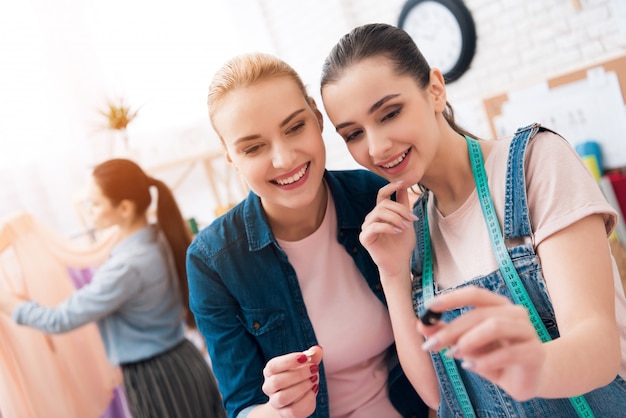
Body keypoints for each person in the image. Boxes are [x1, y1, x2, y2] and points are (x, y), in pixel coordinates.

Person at [319, 22, 626, 417]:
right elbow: (436, 395)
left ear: (434, 89)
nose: (376, 147)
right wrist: (393, 275)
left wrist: (536, 368)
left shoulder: (534, 164)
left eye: (390, 113)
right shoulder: (411, 234)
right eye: (353, 134)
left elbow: (599, 347)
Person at [186, 52, 430, 418]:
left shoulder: (376, 197)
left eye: (294, 127)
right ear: (231, 158)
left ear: (317, 118)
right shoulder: (213, 261)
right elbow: (242, 405)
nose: (284, 159)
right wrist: (281, 410)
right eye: (253, 147)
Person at [0, 158, 226, 418]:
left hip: (158, 378)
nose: (90, 210)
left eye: (95, 204)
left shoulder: (127, 267)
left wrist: (6, 301)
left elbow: (58, 320)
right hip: (183, 362)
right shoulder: (157, 238)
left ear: (125, 208)